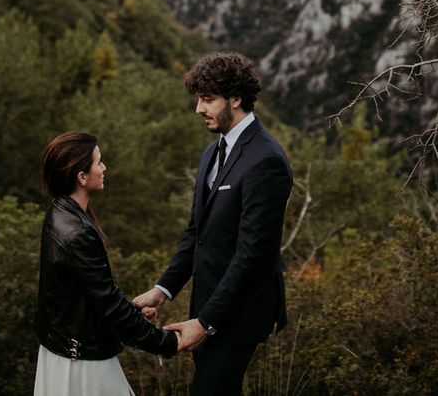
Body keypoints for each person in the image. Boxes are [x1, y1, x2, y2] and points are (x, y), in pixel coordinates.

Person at [133, 52, 293, 395]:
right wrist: (162, 290)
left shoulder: (266, 160)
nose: (198, 110)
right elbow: (197, 233)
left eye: (207, 100)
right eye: (198, 100)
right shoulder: (211, 153)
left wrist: (206, 323)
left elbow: (253, 255)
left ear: (236, 98)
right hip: (208, 305)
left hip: (239, 312)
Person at [34, 131, 183, 395]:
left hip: (65, 352)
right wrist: (168, 343)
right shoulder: (77, 233)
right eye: (98, 162)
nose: (104, 168)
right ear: (81, 176)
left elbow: (89, 295)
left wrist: (133, 311)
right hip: (83, 365)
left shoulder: (58, 213)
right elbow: (109, 305)